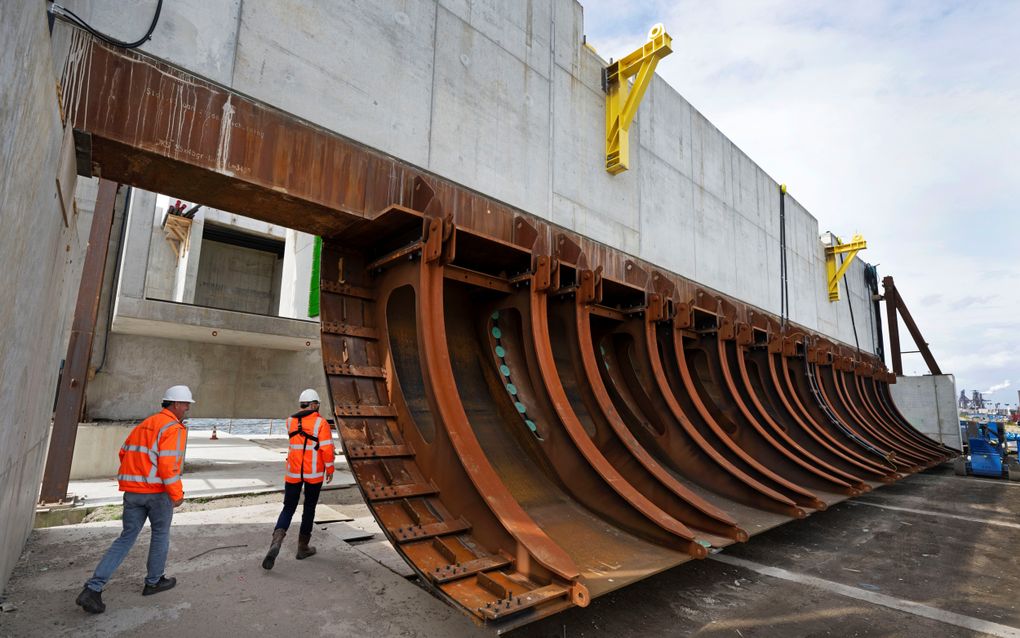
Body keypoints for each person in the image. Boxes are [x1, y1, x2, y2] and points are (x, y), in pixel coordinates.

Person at [75, 385, 194, 614]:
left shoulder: (145, 424)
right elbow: (168, 466)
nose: (187, 408)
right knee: (160, 534)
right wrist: (177, 496)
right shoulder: (173, 428)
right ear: (175, 404)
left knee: (125, 538)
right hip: (157, 493)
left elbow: (124, 452)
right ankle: (154, 582)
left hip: (132, 492)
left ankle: (93, 588)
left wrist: (136, 479)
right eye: (186, 404)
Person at [262, 388, 335, 569]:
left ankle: (276, 542)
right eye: (317, 404)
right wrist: (330, 468)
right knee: (309, 509)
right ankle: (303, 548)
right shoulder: (321, 423)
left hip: (293, 473)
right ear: (314, 404)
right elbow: (326, 449)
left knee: (288, 508)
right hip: (313, 475)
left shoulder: (290, 422)